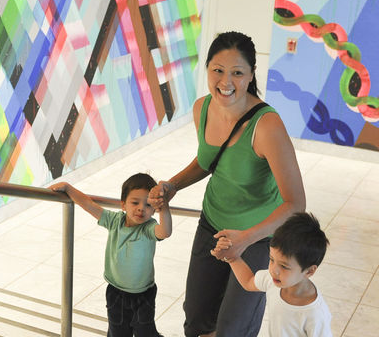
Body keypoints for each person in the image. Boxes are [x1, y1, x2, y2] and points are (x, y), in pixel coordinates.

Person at [148, 31, 305, 337]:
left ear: (250, 76)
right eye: (217, 70)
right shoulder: (202, 109)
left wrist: (246, 239)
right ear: (207, 70)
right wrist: (173, 185)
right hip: (213, 226)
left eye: (237, 72)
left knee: (234, 327)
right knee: (196, 318)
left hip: (258, 238)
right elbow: (208, 161)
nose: (226, 81)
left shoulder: (267, 126)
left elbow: (295, 203)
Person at [50, 173, 172, 337]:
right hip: (116, 292)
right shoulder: (114, 221)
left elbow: (165, 232)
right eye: (135, 202)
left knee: (145, 331)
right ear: (123, 204)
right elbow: (88, 204)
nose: (141, 208)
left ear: (154, 209)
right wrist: (68, 188)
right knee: (118, 331)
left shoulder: (149, 228)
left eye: (148, 205)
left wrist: (164, 207)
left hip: (144, 294)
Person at [213, 212, 332, 336]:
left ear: (309, 271)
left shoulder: (316, 314)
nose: (273, 270)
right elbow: (248, 281)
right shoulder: (273, 281)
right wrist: (232, 257)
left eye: (284, 266)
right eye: (271, 259)